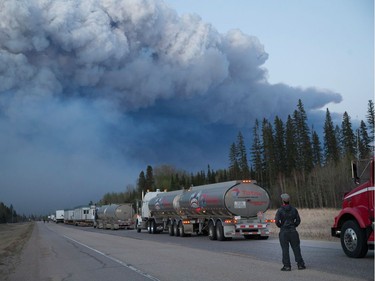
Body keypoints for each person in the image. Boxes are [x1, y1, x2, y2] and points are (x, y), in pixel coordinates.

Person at [275, 193, 306, 271]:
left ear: (282, 200)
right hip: (293, 232)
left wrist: (281, 226)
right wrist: (293, 226)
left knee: (285, 249)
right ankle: (300, 265)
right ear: (289, 200)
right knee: (296, 248)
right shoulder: (294, 209)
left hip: (284, 232)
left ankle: (287, 266)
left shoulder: (280, 210)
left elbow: (277, 221)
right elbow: (298, 220)